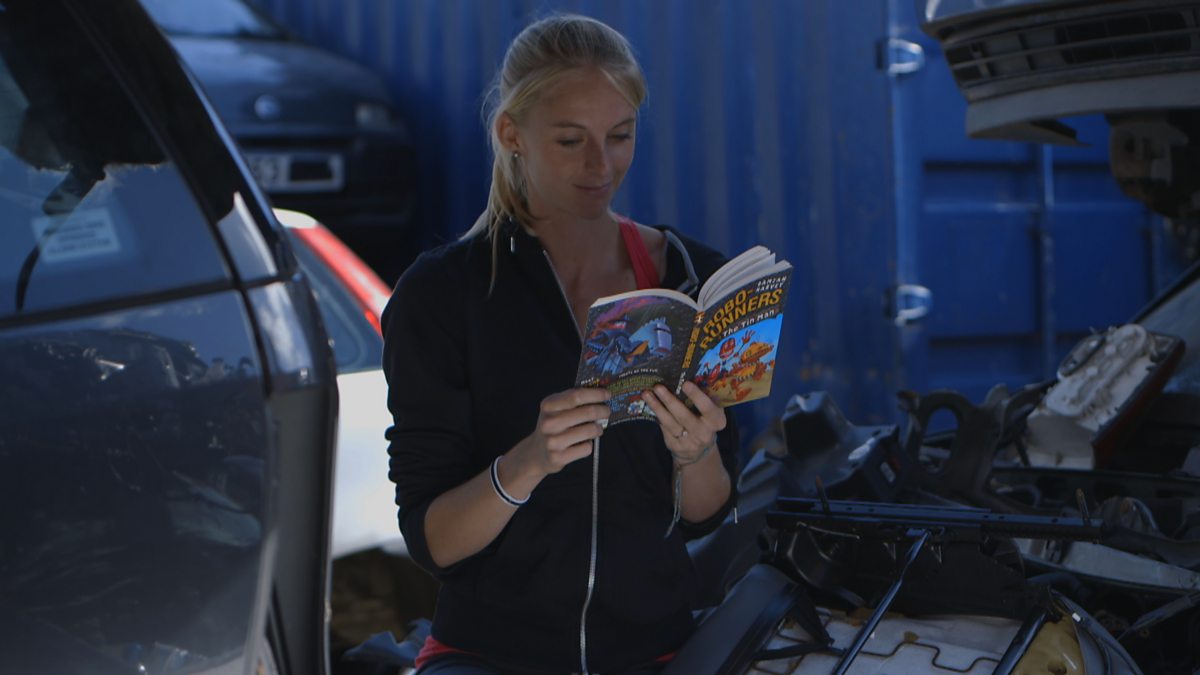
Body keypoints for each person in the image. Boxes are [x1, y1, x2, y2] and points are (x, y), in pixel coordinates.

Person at [382, 13, 739, 674]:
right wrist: (527, 462)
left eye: (620, 135)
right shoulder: (442, 295)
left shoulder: (693, 279)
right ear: (511, 134)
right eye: (571, 140)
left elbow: (705, 517)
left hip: (656, 650)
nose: (601, 165)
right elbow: (434, 541)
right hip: (488, 655)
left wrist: (697, 452)